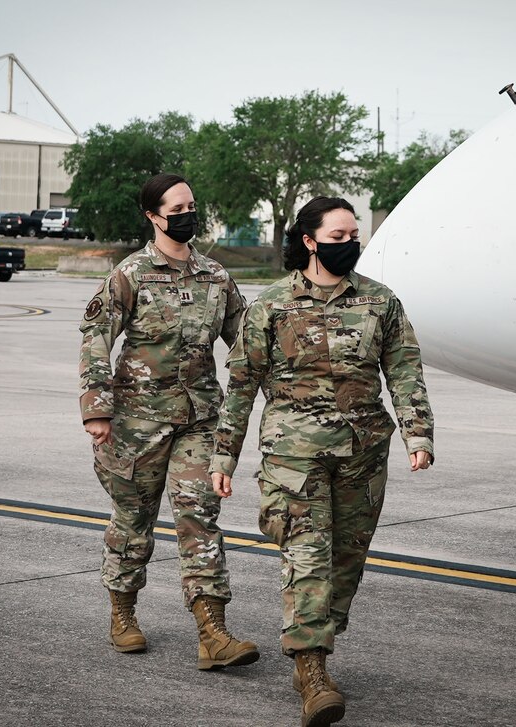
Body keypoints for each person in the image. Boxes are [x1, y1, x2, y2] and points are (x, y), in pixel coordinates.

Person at [209, 196, 434, 727]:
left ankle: (317, 643)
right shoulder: (271, 306)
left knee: (345, 564)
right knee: (307, 557)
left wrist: (417, 433)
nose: (348, 244)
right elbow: (240, 387)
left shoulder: (381, 302)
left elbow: (404, 370)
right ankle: (311, 669)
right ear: (308, 241)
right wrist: (225, 454)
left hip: (362, 454)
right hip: (294, 456)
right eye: (336, 237)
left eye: (353, 235)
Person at [78, 173, 259, 669]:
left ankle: (212, 633)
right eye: (176, 208)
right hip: (136, 423)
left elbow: (247, 340)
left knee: (199, 516)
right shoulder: (130, 275)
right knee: (133, 522)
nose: (187, 215)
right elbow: (96, 338)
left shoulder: (216, 277)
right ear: (153, 216)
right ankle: (122, 614)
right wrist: (97, 409)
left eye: (191, 206)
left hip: (199, 419)